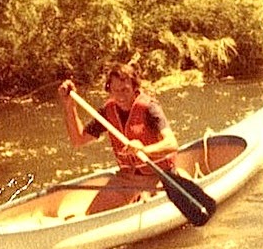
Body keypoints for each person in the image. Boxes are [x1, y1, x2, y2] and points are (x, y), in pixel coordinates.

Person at [57, 63, 179, 214]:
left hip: (158, 175)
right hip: (127, 178)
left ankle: (142, 198)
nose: (120, 96)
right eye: (115, 91)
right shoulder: (108, 112)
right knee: (92, 215)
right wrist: (70, 106)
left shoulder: (150, 108)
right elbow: (78, 140)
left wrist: (144, 150)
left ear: (135, 87)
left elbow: (172, 144)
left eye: (125, 90)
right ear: (109, 90)